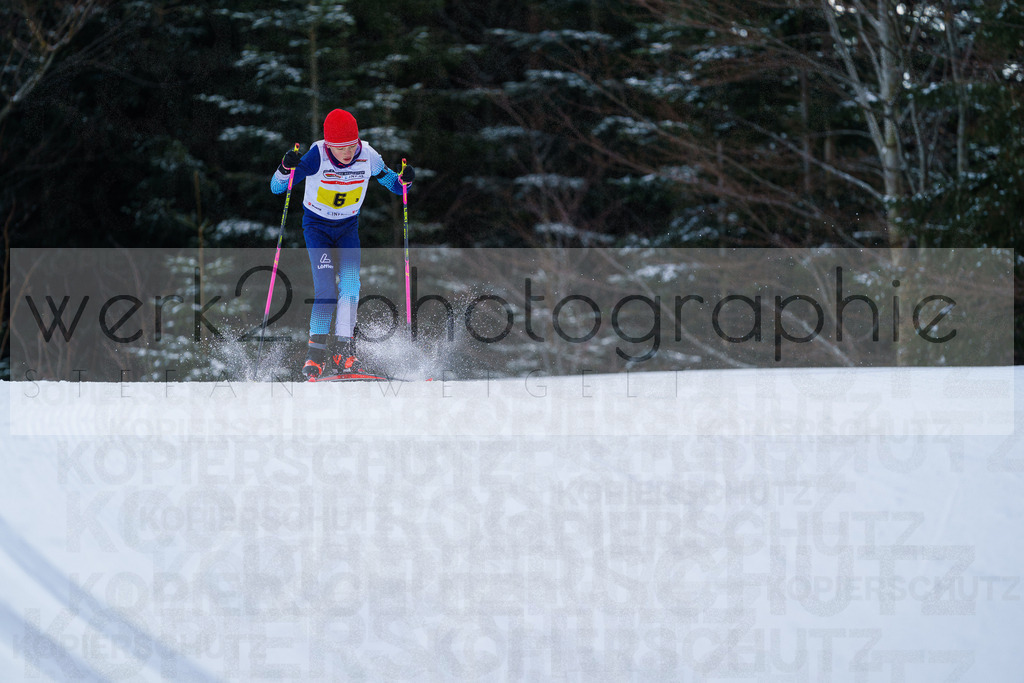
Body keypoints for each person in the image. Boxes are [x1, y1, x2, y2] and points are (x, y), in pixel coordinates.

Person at [270, 108, 414, 379]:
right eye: (340, 148)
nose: (347, 152)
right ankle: (315, 356)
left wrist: (404, 180)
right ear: (329, 145)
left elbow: (396, 186)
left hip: (347, 229)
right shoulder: (317, 155)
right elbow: (277, 188)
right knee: (326, 291)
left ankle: (344, 352)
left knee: (350, 286)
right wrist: (285, 167)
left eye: (351, 146)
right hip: (318, 229)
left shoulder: (368, 155)